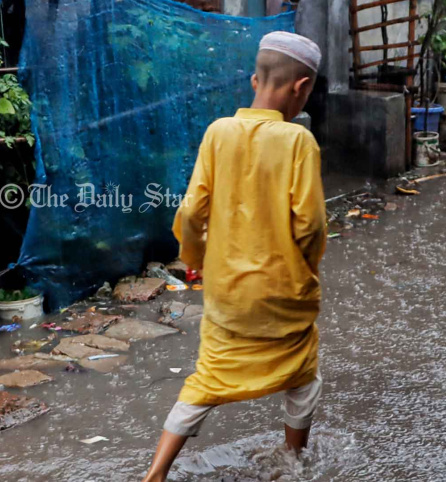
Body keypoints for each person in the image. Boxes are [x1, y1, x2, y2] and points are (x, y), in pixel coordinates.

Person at [142, 31, 327, 482]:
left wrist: (197, 258)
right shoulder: (298, 142)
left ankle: (155, 473)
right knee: (302, 376)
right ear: (301, 87)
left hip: (226, 294)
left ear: (253, 80)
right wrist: (306, 268)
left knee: (207, 378)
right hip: (283, 293)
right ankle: (291, 460)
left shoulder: (218, 133)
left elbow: (190, 212)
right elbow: (311, 226)